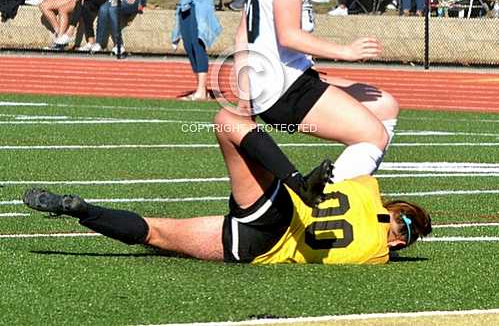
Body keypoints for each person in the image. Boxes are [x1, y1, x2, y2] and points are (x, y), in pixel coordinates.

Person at [22, 109, 432, 264]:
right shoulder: (375, 254)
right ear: (398, 242)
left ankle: (293, 181)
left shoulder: (366, 187)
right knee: (155, 234)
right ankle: (83, 212)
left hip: (278, 210)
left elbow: (372, 134)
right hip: (254, 247)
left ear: (393, 204)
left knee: (229, 120)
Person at [222, 0, 399, 200]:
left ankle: (337, 194)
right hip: (285, 89)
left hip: (284, 83)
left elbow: (242, 36)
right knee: (373, 135)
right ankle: (319, 206)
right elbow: (289, 36)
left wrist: (245, 97)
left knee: (385, 105)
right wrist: (345, 51)